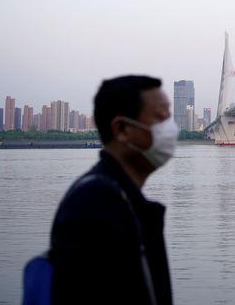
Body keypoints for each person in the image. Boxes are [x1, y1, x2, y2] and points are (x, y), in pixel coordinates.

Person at [49, 75, 177, 304]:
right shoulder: (93, 205)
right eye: (160, 117)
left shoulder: (122, 198)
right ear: (121, 129)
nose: (171, 128)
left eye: (170, 117)